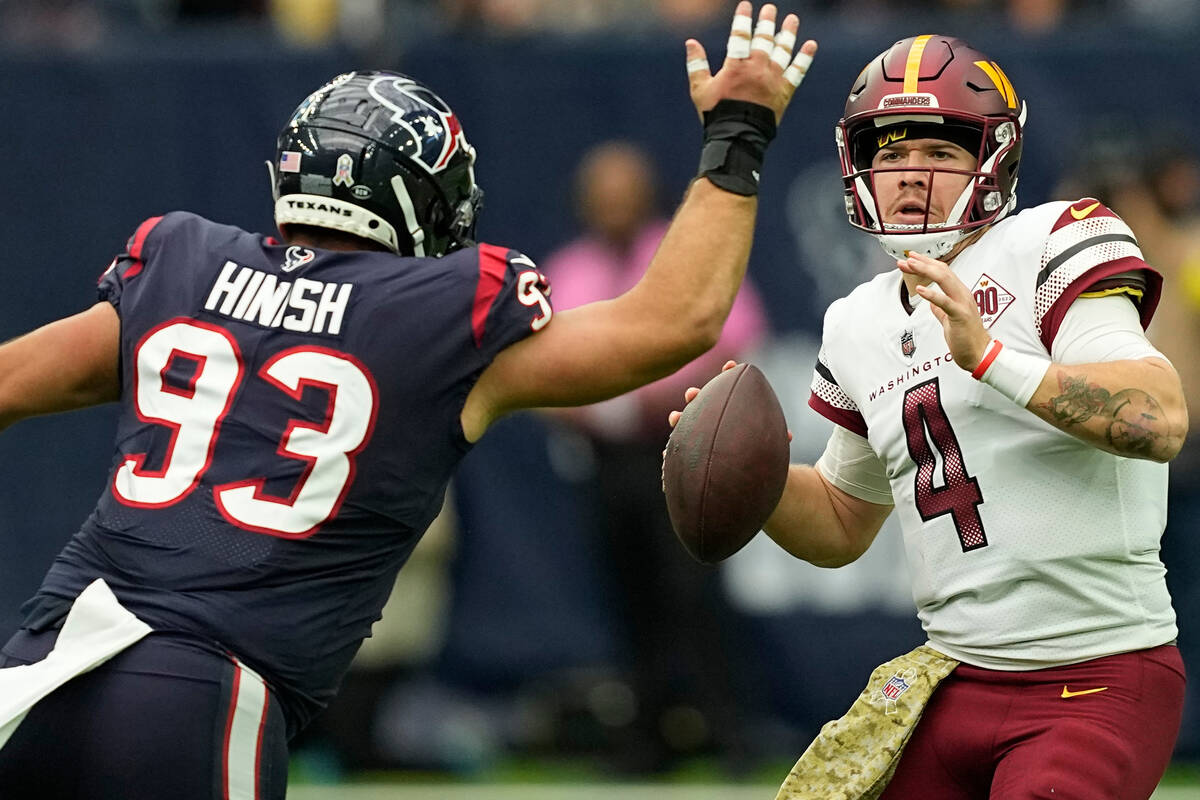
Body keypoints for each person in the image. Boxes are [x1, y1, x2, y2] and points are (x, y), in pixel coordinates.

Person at [0, 3, 818, 797]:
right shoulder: (434, 316)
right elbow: (674, 321)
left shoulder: (182, 263)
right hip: (197, 691)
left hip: (39, 670)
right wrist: (738, 132)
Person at [670, 34, 1187, 799]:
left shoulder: (1055, 240)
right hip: (956, 676)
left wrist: (988, 360)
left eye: (941, 153)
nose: (911, 175)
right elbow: (844, 522)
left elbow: (1159, 417)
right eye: (889, 150)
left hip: (1095, 673)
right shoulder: (857, 320)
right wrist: (756, 473)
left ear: (996, 158)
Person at [543, 139, 768, 770]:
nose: (614, 206)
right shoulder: (567, 269)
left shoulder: (684, 259)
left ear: (647, 195)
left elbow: (743, 341)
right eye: (603, 195)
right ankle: (645, 740)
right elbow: (535, 368)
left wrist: (661, 395)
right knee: (629, 595)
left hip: (685, 448)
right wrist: (589, 405)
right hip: (607, 460)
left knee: (695, 594)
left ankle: (728, 733)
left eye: (625, 192)